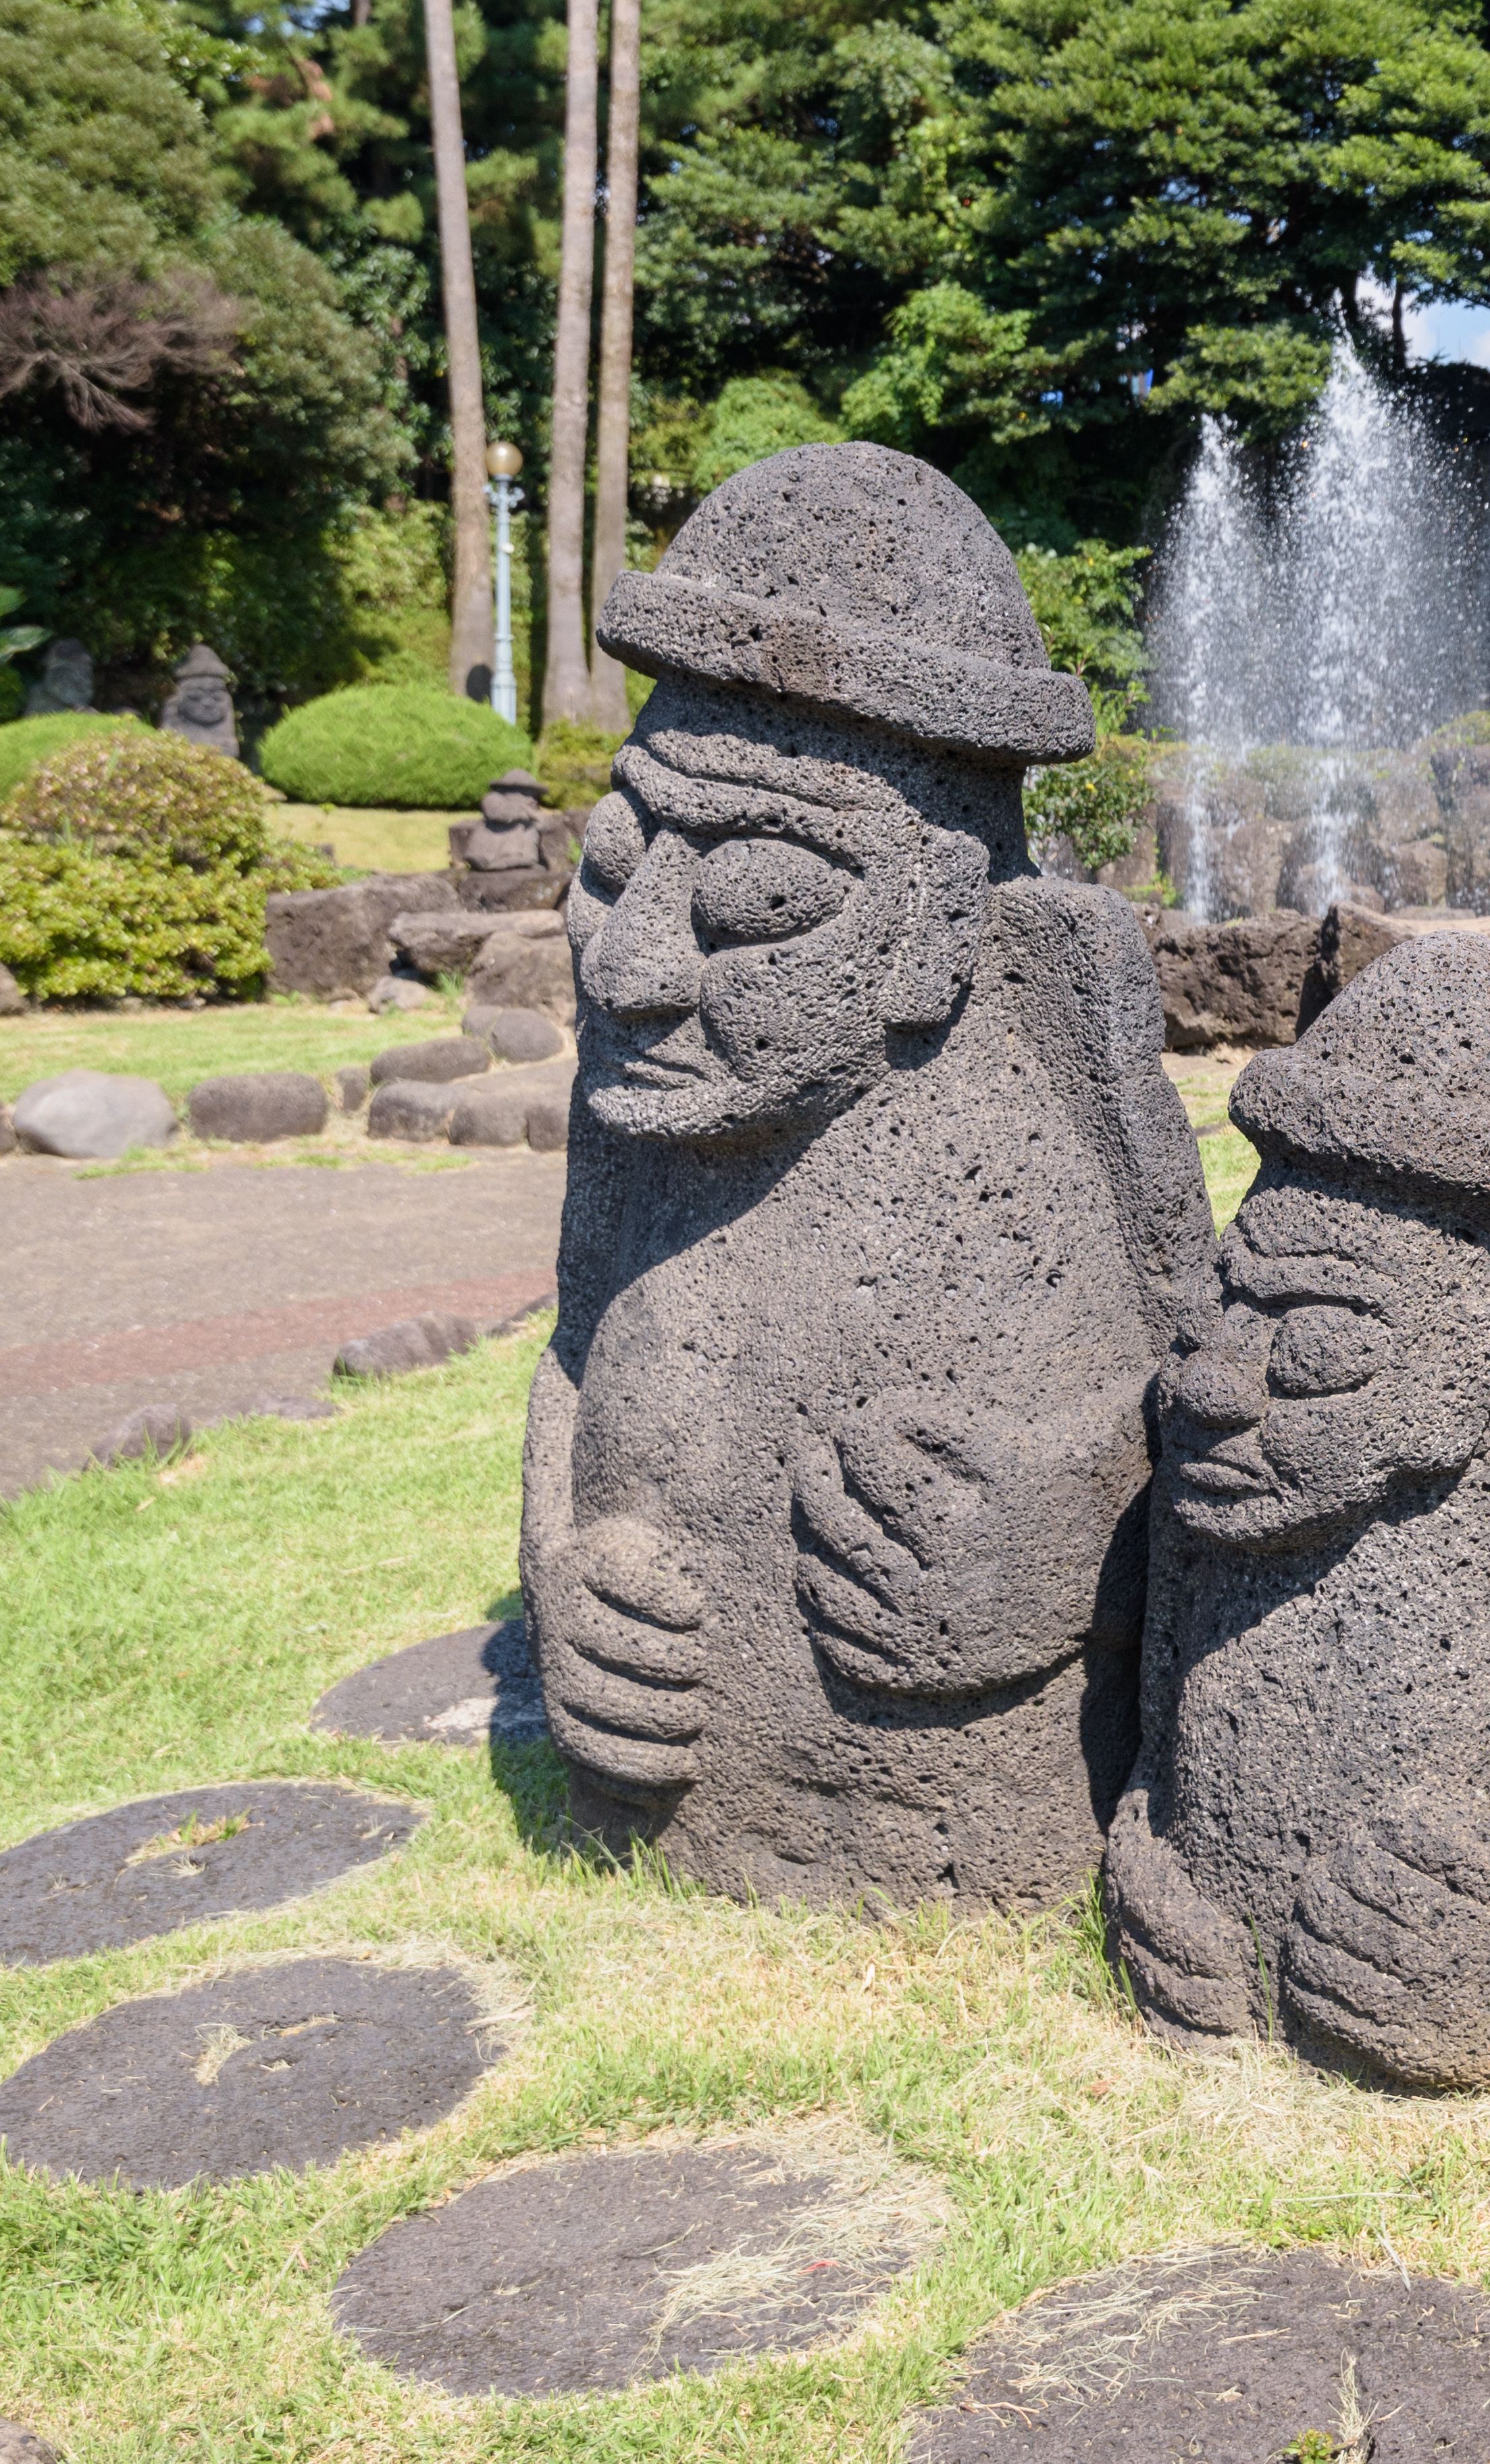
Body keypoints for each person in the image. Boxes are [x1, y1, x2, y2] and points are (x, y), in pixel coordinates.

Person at [523, 442, 1211, 1911]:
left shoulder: (1047, 1081)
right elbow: (577, 1350)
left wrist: (1066, 1543)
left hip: (947, 1836)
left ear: (938, 925)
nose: (634, 965)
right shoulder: (650, 1103)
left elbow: (1192, 1399)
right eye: (613, 862)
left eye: (761, 897)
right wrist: (560, 1572)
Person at [1102, 931, 1490, 2089]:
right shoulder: (1210, 1454)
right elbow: (1152, 1744)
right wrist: (1144, 1876)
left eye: (1315, 1342)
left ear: (1468, 1360)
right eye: (1226, 1304)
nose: (1215, 1383)